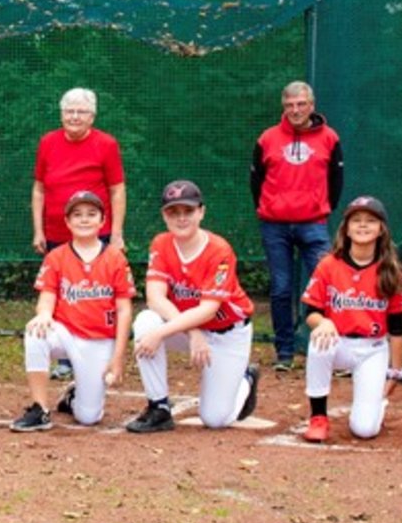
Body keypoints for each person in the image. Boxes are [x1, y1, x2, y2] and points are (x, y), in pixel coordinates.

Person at [126, 180, 259, 433]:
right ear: (164, 216)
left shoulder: (219, 250)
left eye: (188, 211)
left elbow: (208, 309)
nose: (181, 218)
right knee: (146, 322)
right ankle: (159, 407)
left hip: (227, 333)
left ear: (201, 212)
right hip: (192, 331)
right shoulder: (161, 244)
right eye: (173, 212)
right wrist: (192, 332)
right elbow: (155, 298)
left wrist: (165, 333)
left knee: (215, 419)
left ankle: (246, 380)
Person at [13, 190, 134, 432]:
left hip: (100, 339)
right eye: (77, 214)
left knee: (89, 417)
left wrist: (118, 358)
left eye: (91, 214)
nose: (84, 219)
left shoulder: (115, 258)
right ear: (67, 222)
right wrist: (44, 313)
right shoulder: (56, 257)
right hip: (65, 333)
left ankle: (73, 395)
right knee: (36, 331)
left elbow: (124, 310)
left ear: (102, 221)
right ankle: (40, 409)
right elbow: (47, 296)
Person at [300, 196, 402, 443]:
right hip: (337, 342)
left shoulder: (391, 269)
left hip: (372, 348)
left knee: (365, 430)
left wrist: (396, 371)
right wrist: (323, 322)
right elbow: (310, 313)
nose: (362, 225)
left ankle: (374, 409)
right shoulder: (329, 265)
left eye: (370, 220)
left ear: (381, 228)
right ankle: (318, 417)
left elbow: (396, 326)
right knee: (319, 340)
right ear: (346, 228)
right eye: (356, 220)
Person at [251, 81, 344, 376]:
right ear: (284, 106)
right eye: (290, 105)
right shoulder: (267, 139)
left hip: (313, 224)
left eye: (301, 104)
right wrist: (271, 208)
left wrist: (318, 207)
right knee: (280, 289)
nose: (295, 110)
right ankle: (285, 352)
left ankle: (333, 354)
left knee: (327, 287)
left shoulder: (329, 138)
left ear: (311, 106)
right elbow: (256, 181)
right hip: (274, 226)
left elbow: (336, 181)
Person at [31, 88, 126, 252]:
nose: (74, 117)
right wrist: (39, 232)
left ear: (92, 117)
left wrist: (116, 235)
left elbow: (117, 191)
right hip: (55, 236)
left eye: (81, 112)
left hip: (97, 234)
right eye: (69, 111)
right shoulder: (47, 142)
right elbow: (39, 190)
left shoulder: (107, 144)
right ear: (62, 115)